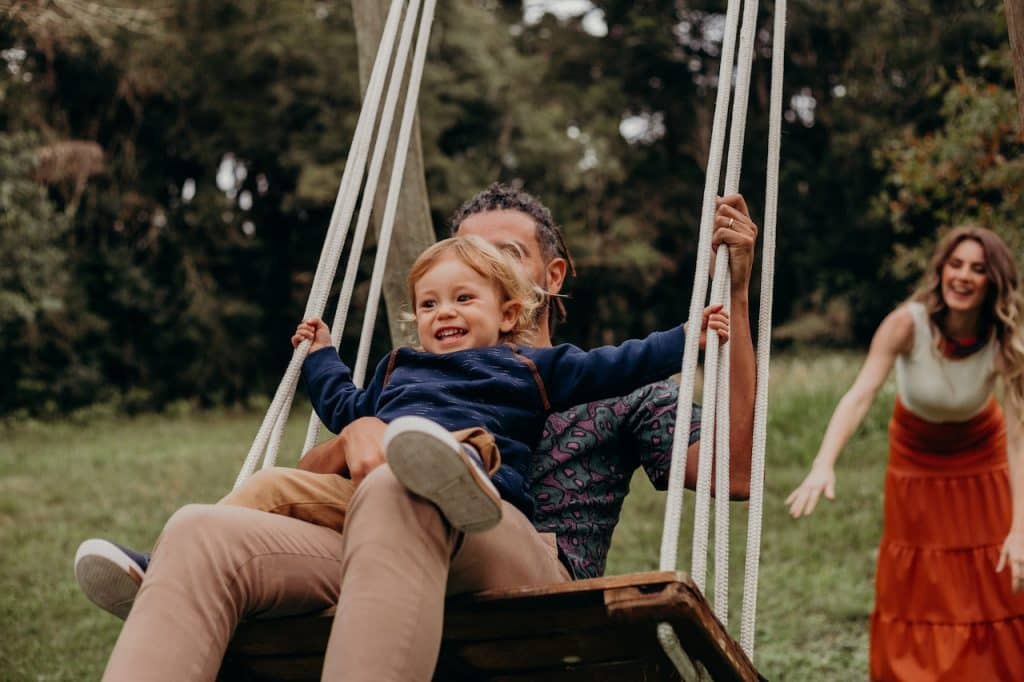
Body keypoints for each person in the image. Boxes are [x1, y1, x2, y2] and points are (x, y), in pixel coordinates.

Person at [87, 184, 757, 681]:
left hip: (528, 567)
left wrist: (724, 315)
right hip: (383, 542)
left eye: (503, 256)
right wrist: (344, 405)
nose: (467, 281)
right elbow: (340, 414)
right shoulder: (407, 372)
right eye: (450, 274)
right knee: (201, 533)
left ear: (543, 282)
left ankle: (444, 466)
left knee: (403, 485)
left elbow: (732, 471)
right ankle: (159, 571)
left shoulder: (594, 382)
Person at [785, 226, 1024, 680]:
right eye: (956, 265)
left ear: (993, 280)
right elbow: (860, 395)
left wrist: (1020, 529)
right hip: (916, 457)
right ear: (941, 271)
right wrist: (823, 464)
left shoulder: (1002, 342)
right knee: (921, 574)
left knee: (993, 572)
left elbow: (1018, 439)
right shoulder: (905, 325)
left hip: (980, 456)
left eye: (977, 268)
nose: (963, 276)